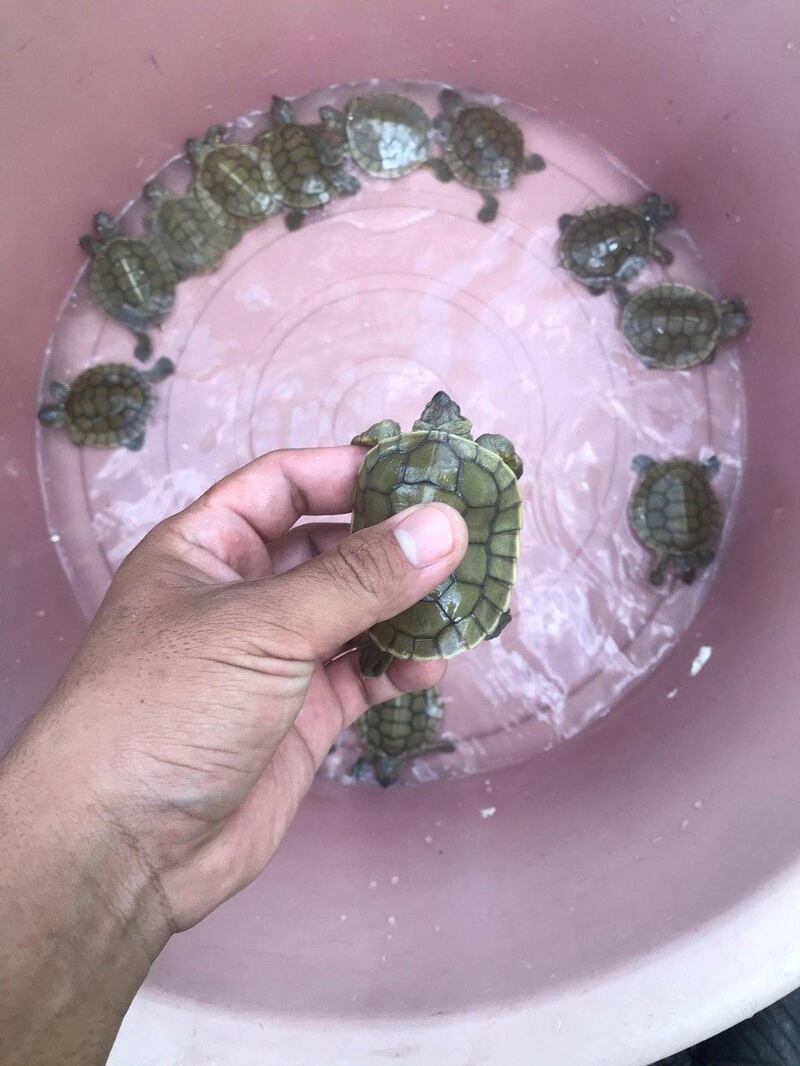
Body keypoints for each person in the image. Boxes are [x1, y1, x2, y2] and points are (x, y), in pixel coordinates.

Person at [0, 444, 468, 1066]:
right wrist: (130, 862)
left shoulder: (388, 452)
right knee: (400, 666)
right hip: (417, 603)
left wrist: (129, 858)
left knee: (391, 661)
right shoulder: (466, 460)